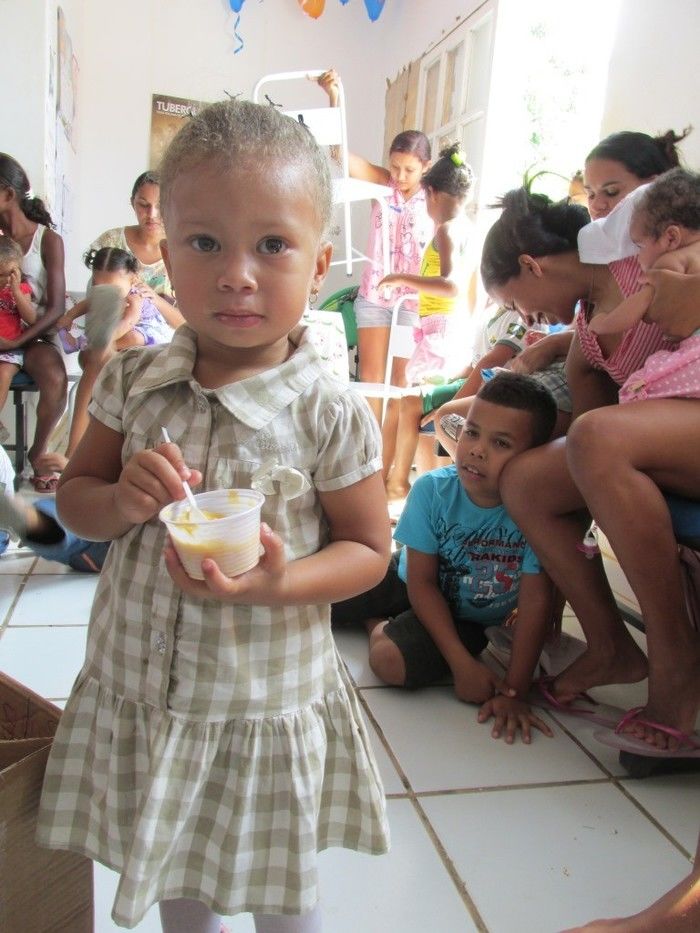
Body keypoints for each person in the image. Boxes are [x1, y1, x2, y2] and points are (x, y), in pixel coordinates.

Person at [36, 98, 391, 933]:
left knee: (276, 889)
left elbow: (371, 550)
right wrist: (122, 500)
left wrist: (281, 582)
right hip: (146, 690)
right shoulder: (134, 383)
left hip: (257, 693)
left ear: (320, 260)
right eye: (205, 243)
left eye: (272, 245)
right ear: (162, 253)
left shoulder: (327, 412)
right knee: (175, 864)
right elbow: (76, 503)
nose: (238, 273)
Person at [481, 186, 699, 752]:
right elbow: (594, 428)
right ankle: (610, 645)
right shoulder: (583, 326)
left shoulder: (648, 261)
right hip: (664, 434)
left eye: (515, 301)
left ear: (532, 266)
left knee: (596, 434)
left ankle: (676, 659)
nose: (522, 317)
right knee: (526, 480)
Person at [334, 372, 558, 744]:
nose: (476, 450)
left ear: (533, 456)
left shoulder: (537, 512)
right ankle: (379, 614)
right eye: (472, 432)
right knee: (322, 600)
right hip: (408, 581)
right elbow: (420, 582)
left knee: (389, 663)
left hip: (468, 616)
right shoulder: (432, 489)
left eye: (500, 442)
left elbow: (536, 601)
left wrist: (514, 693)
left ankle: (376, 625)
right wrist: (459, 664)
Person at [511, 127, 690, 379]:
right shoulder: (603, 267)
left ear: (653, 188)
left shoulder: (669, 257)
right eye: (591, 194)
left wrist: (601, 326)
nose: (596, 205)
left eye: (612, 192)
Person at [316, 68, 434, 421]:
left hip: (412, 302)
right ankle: (369, 457)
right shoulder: (383, 184)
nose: (399, 176)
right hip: (375, 297)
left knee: (400, 383)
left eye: (409, 170)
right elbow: (341, 157)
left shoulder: (437, 197)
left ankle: (391, 462)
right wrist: (335, 98)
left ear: (425, 167)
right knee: (369, 380)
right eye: (395, 166)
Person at [378, 143, 475, 487]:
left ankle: (397, 482)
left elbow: (451, 285)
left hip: (441, 330)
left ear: (431, 193)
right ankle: (420, 485)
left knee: (409, 403)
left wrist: (401, 278)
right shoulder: (467, 229)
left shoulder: (447, 231)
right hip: (451, 329)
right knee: (420, 415)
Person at [54, 246, 183, 462]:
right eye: (98, 286)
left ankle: (76, 451)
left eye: (112, 288)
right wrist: (68, 317)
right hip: (113, 348)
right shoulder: (105, 294)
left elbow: (128, 323)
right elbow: (86, 305)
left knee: (127, 339)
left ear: (133, 279)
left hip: (146, 335)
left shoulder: (136, 298)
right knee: (100, 356)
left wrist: (102, 338)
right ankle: (74, 450)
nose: (105, 293)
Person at [0, 153, 68, 492]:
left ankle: (39, 453)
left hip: (37, 333)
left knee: (55, 378)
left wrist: (17, 342)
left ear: (8, 195)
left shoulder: (47, 240)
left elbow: (55, 309)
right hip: (2, 329)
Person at [89, 170, 176, 317]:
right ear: (132, 203)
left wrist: (154, 299)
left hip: (165, 338)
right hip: (115, 331)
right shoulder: (111, 241)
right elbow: (97, 303)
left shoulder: (181, 250)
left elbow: (185, 323)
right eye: (143, 204)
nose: (152, 214)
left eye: (160, 205)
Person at [0, 236, 37, 408]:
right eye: (1, 275)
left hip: (11, 349)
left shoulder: (22, 289)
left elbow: (31, 318)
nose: (7, 279)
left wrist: (15, 291)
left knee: (4, 372)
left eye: (12, 274)